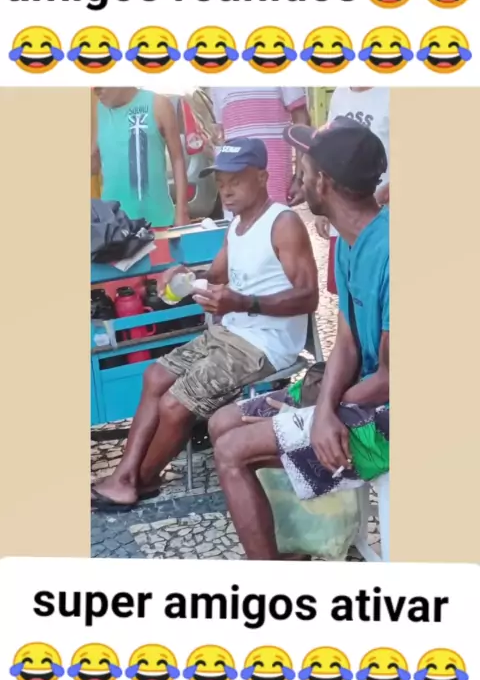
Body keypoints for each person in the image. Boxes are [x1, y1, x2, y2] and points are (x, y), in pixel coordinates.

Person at [91, 137, 319, 509]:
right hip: (230, 333)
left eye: (236, 181)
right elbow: (214, 276)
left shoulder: (283, 223)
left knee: (175, 403)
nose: (226, 191)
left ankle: (140, 480)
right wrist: (184, 275)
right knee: (155, 377)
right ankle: (126, 475)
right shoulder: (237, 225)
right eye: (221, 182)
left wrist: (242, 302)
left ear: (262, 177)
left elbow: (308, 296)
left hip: (264, 344)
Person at [209, 117, 389, 560]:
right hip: (358, 394)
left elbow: (391, 378)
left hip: (388, 415)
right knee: (222, 422)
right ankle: (290, 549)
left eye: (303, 169)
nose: (297, 178)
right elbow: (346, 341)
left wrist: (320, 412)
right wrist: (320, 408)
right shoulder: (351, 241)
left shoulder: (391, 250)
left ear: (322, 182)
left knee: (232, 450)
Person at [316, 87, 389, 294]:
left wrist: (386, 193)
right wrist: (324, 206)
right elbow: (328, 150)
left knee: (377, 291)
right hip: (343, 219)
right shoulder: (340, 94)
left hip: (379, 218)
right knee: (346, 292)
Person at [92, 87, 189, 229]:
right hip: (112, 226)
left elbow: (177, 159)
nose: (95, 89)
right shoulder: (99, 110)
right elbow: (94, 162)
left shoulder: (158, 105)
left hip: (155, 222)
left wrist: (182, 210)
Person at [209, 87, 310, 218]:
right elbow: (221, 131)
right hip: (233, 179)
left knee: (275, 224)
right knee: (238, 226)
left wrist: (300, 176)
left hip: (273, 178)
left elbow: (301, 121)